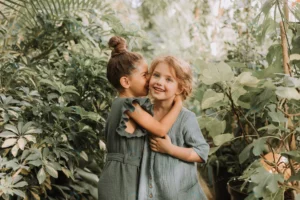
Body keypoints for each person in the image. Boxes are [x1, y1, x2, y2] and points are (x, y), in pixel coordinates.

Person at [97, 37, 182, 200]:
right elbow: (160, 129)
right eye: (145, 75)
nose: (150, 79)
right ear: (126, 81)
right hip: (121, 180)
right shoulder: (128, 106)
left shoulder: (120, 105)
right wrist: (178, 103)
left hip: (120, 177)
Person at [138, 55, 210, 200]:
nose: (159, 82)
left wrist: (170, 149)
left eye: (168, 79)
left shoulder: (186, 118)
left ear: (179, 88)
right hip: (150, 193)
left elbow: (201, 153)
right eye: (156, 75)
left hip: (180, 195)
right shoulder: (143, 113)